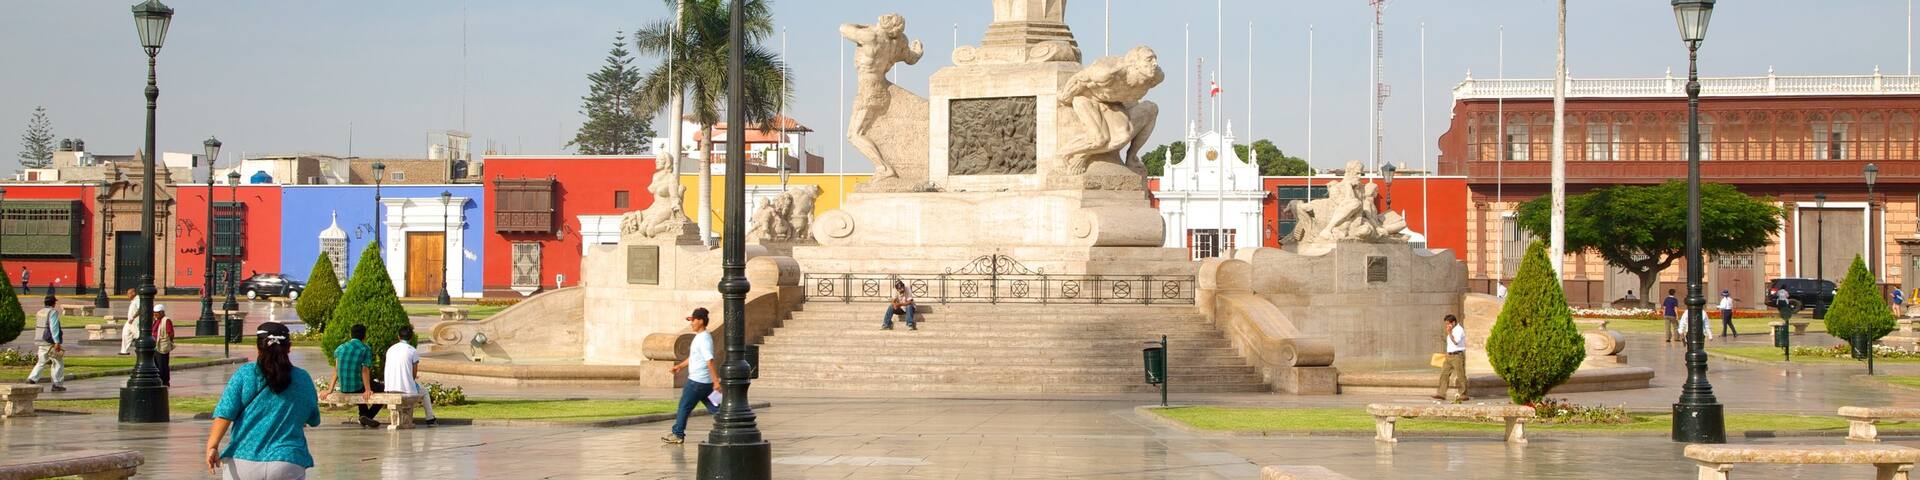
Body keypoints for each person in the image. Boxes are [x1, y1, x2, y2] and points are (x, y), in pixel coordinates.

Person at [204, 322, 321, 480]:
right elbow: (314, 419)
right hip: (288, 460)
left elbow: (225, 413)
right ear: (289, 347)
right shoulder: (303, 378)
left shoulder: (245, 374)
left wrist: (212, 446)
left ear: (258, 347)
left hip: (243, 460)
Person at [663, 308, 718, 445]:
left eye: (693, 320)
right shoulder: (700, 337)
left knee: (684, 407)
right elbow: (694, 357)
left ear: (701, 321)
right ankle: (731, 427)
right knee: (717, 408)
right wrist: (680, 366)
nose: (691, 323)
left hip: (697, 382)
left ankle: (678, 434)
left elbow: (709, 360)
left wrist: (716, 381)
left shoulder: (704, 339)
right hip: (706, 383)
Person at [326, 324, 383, 429]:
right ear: (364, 336)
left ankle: (363, 417)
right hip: (357, 387)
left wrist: (330, 389)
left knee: (360, 385)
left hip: (344, 388)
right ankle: (367, 416)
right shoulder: (365, 348)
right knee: (382, 389)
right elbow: (365, 370)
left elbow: (336, 369)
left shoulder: (340, 348)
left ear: (350, 335)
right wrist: (368, 389)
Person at [383, 325, 436, 426]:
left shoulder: (390, 349)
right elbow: (414, 373)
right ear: (411, 337)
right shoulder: (412, 350)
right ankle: (430, 419)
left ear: (398, 336)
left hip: (389, 388)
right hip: (406, 389)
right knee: (424, 392)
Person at [25, 295, 66, 392]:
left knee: (41, 361)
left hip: (40, 340)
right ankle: (57, 384)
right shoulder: (52, 312)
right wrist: (57, 342)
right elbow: (54, 327)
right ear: (53, 303)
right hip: (49, 341)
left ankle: (32, 378)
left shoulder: (40, 312)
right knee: (58, 362)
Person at [1433, 315, 1469, 402]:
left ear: (1453, 322)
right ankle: (1441, 394)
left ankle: (1463, 394)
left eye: (1448, 324)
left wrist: (1449, 332)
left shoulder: (1459, 330)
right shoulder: (1452, 330)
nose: (1447, 325)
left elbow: (1456, 342)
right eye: (1446, 324)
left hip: (1457, 356)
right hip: (1449, 356)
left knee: (1460, 375)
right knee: (1444, 374)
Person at [153, 303, 175, 386]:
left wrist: (169, 342)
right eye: (154, 313)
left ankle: (165, 381)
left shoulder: (166, 320)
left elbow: (171, 333)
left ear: (162, 312)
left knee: (163, 365)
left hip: (162, 345)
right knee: (156, 364)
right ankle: (158, 380)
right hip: (155, 345)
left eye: (157, 313)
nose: (155, 314)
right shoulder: (156, 320)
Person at [119, 290, 141, 355]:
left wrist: (133, 317)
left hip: (135, 320)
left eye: (128, 294)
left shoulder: (138, 299)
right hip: (130, 321)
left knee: (138, 334)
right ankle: (124, 351)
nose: (127, 295)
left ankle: (142, 348)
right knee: (125, 334)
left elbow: (141, 309)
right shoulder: (134, 300)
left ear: (133, 293)